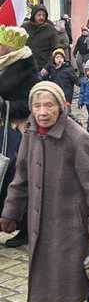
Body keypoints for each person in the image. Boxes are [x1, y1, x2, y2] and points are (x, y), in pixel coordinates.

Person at [0, 81, 89, 302]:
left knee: (62, 271)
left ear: (61, 106)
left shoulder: (77, 137)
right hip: (41, 218)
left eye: (48, 105)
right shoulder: (31, 134)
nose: (42, 111)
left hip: (72, 221)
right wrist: (11, 212)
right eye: (37, 105)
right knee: (55, 268)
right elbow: (21, 176)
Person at [0, 26, 39, 248]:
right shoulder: (3, 64)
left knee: (16, 178)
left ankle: (23, 227)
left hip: (15, 132)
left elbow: (29, 102)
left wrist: (4, 106)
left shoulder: (26, 68)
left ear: (10, 47)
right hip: (1, 130)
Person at [21, 4, 60, 70]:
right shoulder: (25, 28)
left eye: (43, 15)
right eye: (39, 15)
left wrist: (47, 67)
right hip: (27, 67)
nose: (41, 17)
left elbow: (55, 50)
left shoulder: (50, 29)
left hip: (44, 68)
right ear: (34, 15)